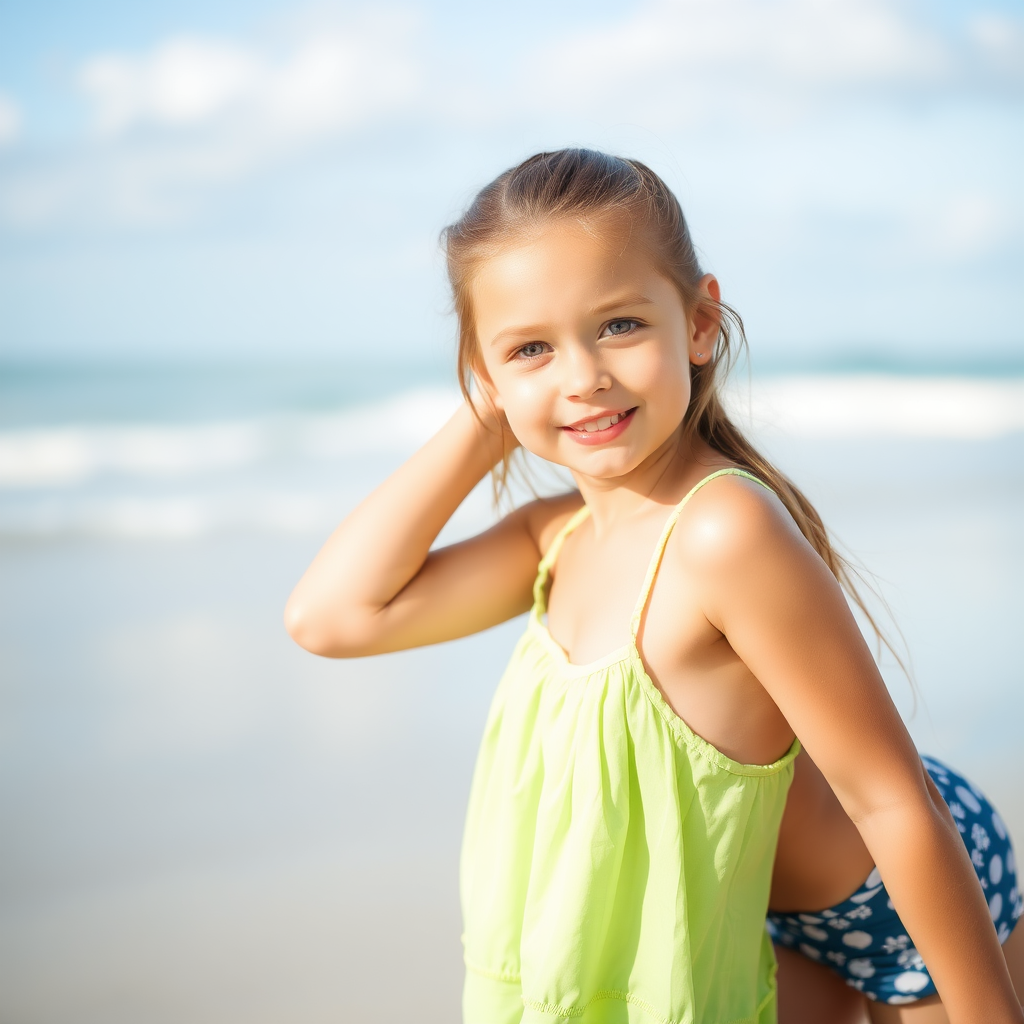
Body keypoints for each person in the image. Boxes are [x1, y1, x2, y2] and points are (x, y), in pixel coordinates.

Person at [285, 149, 1022, 1024]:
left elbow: (889, 797)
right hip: (744, 915)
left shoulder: (723, 532)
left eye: (620, 326)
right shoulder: (552, 538)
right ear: (485, 372)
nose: (583, 376)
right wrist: (487, 417)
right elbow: (333, 617)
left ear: (700, 322)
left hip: (888, 903)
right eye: (530, 348)